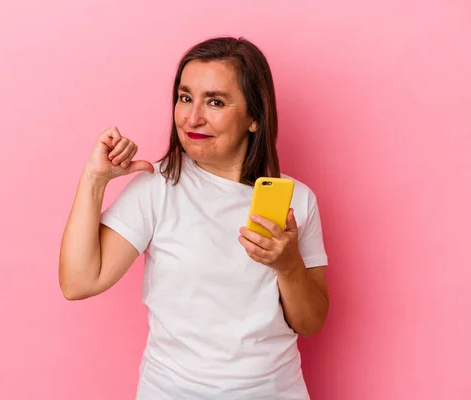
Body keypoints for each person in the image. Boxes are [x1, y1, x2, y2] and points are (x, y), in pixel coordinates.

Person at [59, 36, 330, 400]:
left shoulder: (297, 200)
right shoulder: (157, 187)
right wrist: (94, 180)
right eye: (185, 97)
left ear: (254, 116)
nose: (192, 117)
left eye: (215, 101)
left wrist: (288, 265)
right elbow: (78, 283)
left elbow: (311, 323)